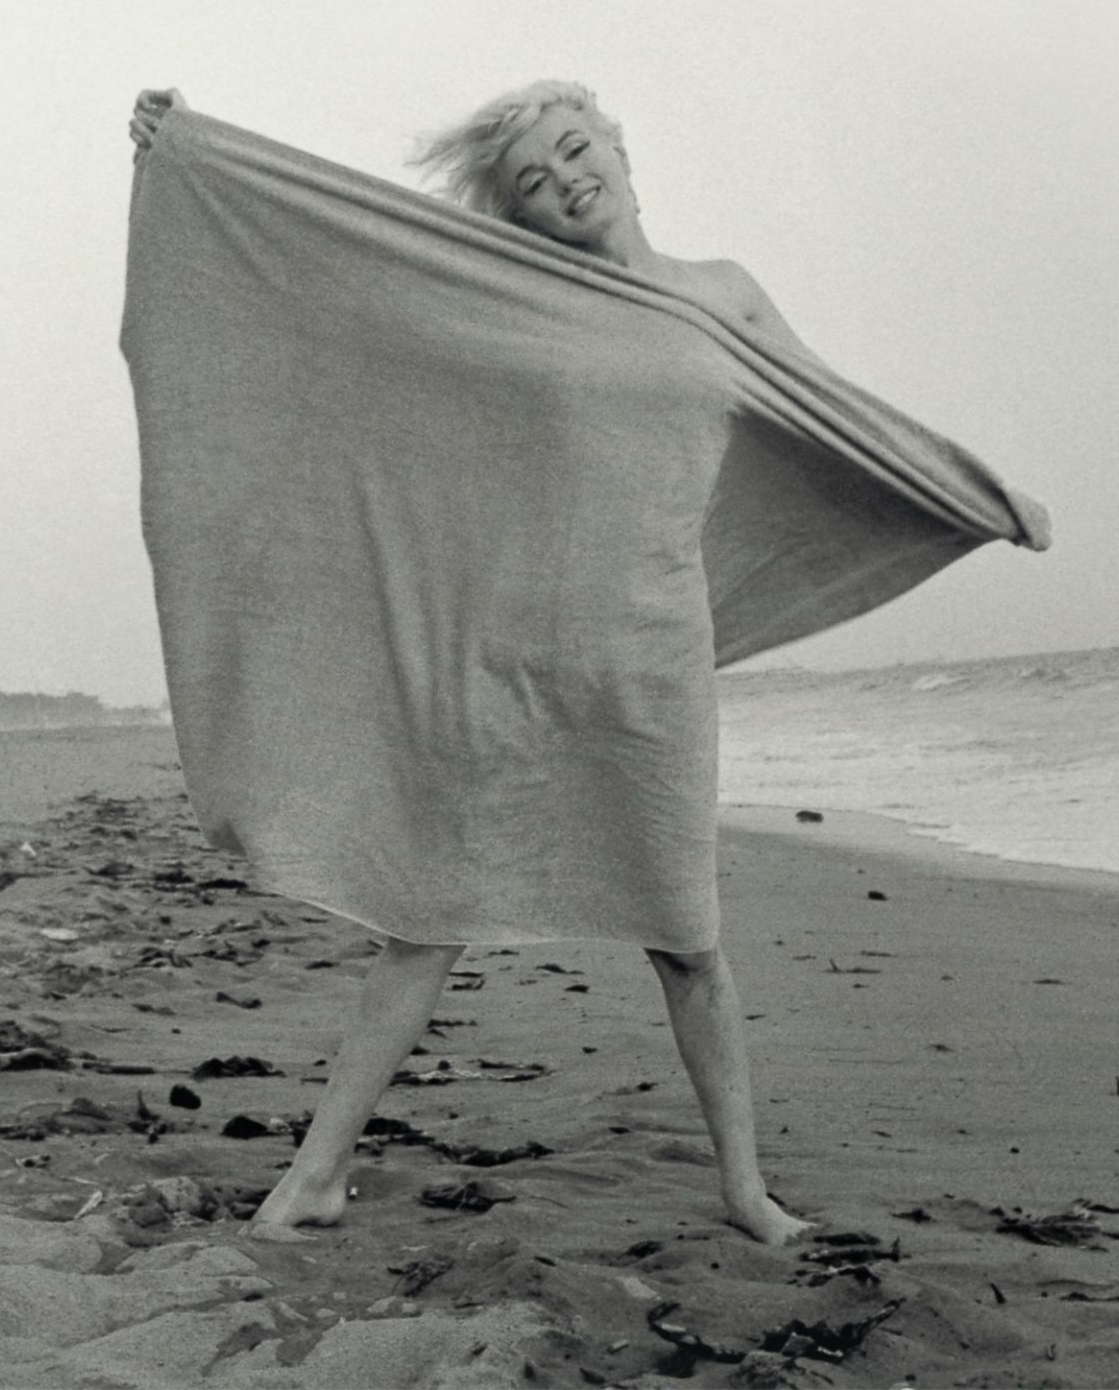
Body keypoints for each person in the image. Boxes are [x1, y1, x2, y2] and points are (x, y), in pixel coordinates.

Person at [130, 81, 817, 1245]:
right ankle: (314, 1175)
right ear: (521, 220)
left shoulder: (723, 296)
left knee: (687, 939)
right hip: (504, 656)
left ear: (615, 138)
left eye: (571, 152)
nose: (565, 185)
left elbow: (827, 416)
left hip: (646, 665)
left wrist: (969, 487)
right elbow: (346, 308)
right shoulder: (521, 301)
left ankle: (743, 1190)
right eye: (535, 186)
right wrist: (192, 156)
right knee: (427, 916)